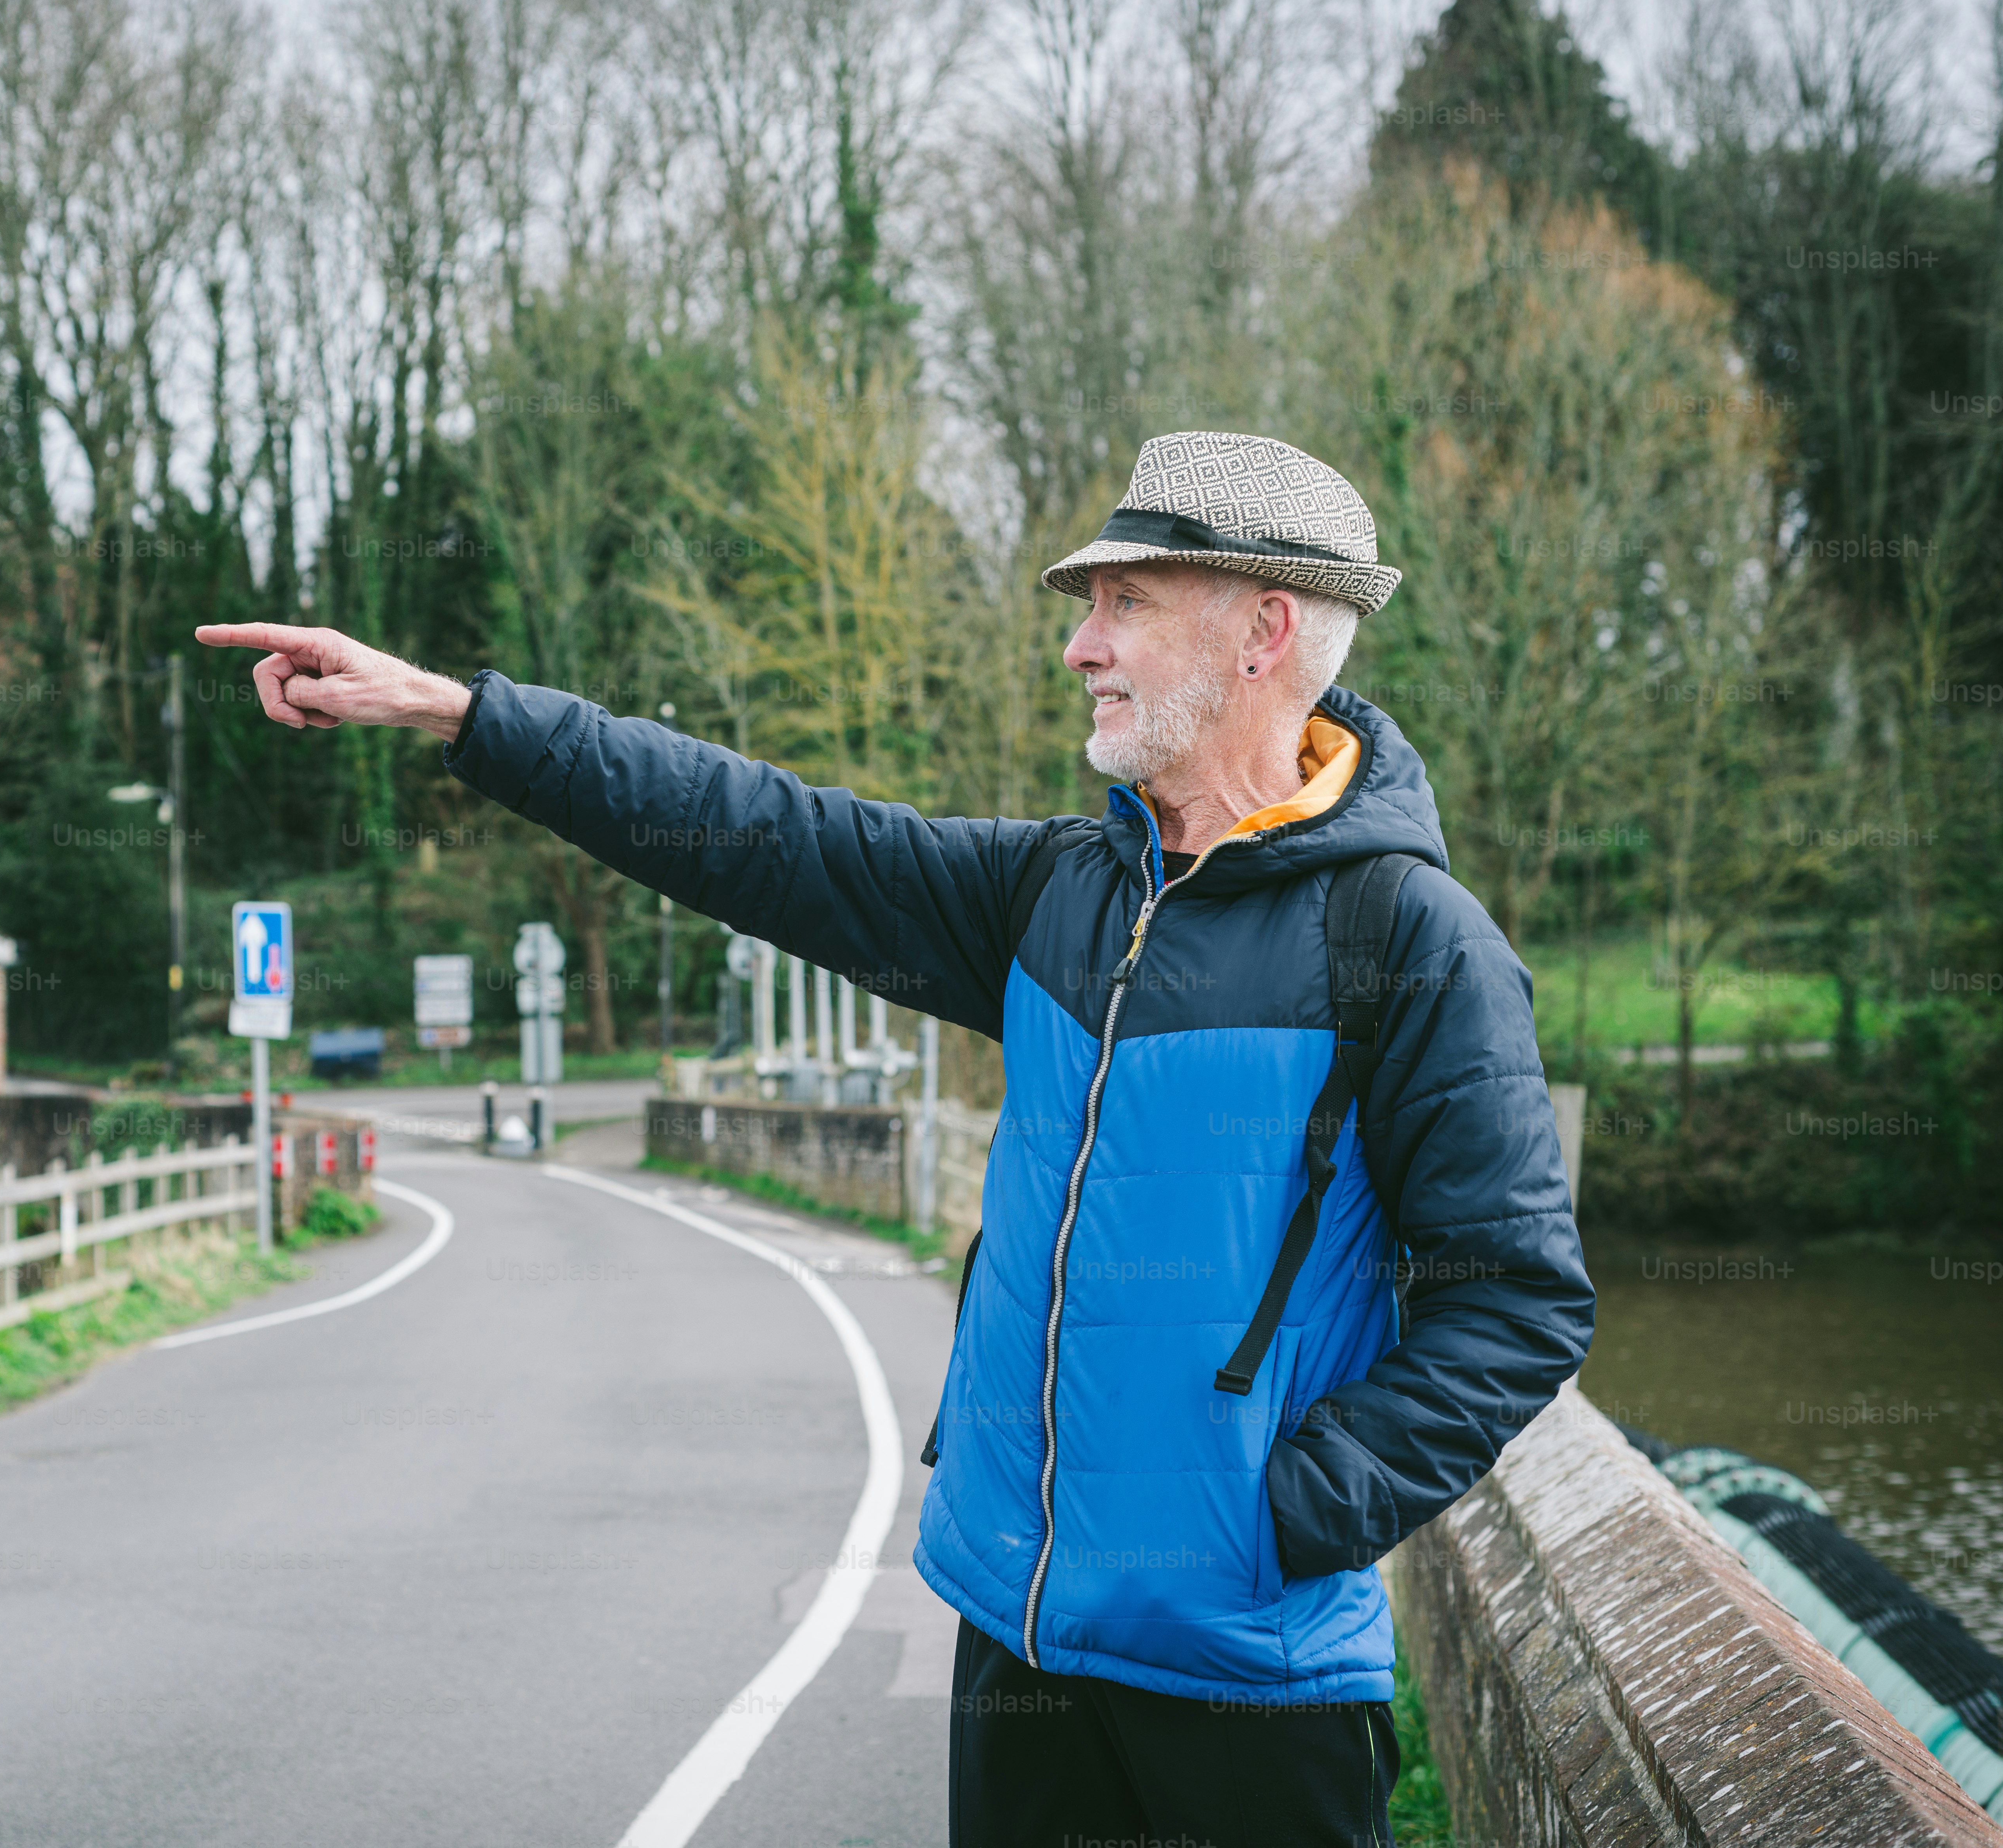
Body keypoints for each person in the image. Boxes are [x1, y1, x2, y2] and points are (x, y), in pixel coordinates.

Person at [198, 430, 1592, 1848]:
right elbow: (760, 833)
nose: (1081, 648)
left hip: (1249, 1680)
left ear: (1263, 629)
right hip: (1010, 1628)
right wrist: (459, 714)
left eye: (1124, 606)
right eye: (1085, 608)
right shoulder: (1060, 890)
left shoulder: (1414, 945)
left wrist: (1289, 1514)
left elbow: (1517, 1303)